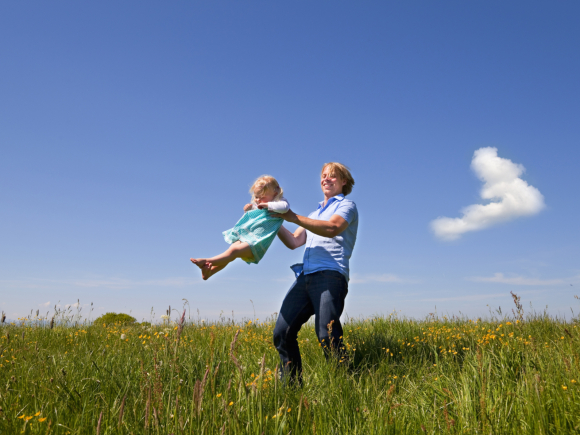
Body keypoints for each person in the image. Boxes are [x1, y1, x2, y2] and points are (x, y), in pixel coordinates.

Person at [273, 162, 357, 384]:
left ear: (343, 181)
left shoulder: (346, 206)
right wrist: (275, 220)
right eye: (323, 176)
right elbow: (294, 241)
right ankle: (291, 389)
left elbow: (332, 228)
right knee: (282, 332)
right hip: (305, 277)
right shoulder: (314, 213)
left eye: (332, 176)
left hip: (330, 275)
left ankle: (344, 385)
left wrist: (292, 216)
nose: (326, 179)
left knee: (327, 335)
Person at [191, 175, 289, 280]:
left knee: (233, 252)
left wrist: (267, 205)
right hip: (246, 235)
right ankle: (209, 272)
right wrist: (249, 210)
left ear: (275, 193)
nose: (258, 200)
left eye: (262, 197)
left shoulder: (278, 202)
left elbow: (285, 208)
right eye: (256, 197)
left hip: (257, 241)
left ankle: (207, 261)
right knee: (230, 253)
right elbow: (253, 218)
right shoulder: (259, 205)